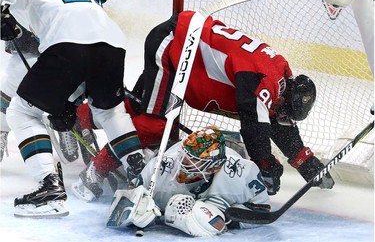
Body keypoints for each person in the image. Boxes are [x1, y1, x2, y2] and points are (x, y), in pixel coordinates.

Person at [73, 10, 335, 200]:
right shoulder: (262, 80)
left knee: (141, 109)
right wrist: (264, 165)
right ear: (283, 97)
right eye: (282, 111)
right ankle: (95, 171)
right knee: (156, 127)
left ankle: (78, 117)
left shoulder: (280, 79)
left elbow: (277, 123)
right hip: (176, 44)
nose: (279, 115)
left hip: (186, 47)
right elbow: (254, 127)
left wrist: (306, 164)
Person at [0, 0, 145, 218]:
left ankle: (49, 189)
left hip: (67, 43)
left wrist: (2, 8)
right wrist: (68, 102)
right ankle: (143, 175)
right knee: (111, 114)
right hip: (112, 43)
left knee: (21, 113)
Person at [106, 126, 271, 237]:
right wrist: (141, 210)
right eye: (184, 155)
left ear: (214, 166)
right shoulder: (163, 165)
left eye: (191, 160)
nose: (182, 163)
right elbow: (127, 197)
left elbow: (262, 210)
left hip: (233, 153)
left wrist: (226, 219)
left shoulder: (242, 172)